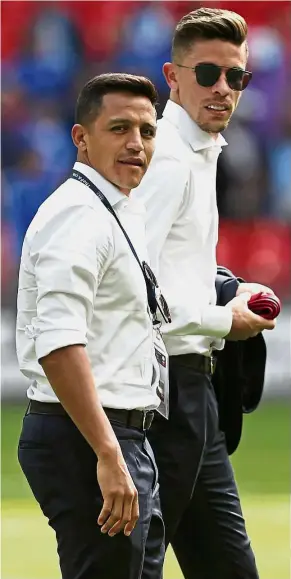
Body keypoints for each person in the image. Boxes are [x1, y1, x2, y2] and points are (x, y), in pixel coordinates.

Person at [134, 8, 276, 579]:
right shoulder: (166, 159)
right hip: (162, 392)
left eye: (236, 77)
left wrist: (227, 285)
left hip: (190, 391)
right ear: (172, 76)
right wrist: (225, 318)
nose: (223, 88)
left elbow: (167, 267)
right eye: (208, 73)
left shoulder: (194, 152)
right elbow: (134, 293)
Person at [16, 73, 166, 579]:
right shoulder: (79, 214)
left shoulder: (116, 208)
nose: (136, 144)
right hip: (89, 438)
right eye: (119, 128)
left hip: (115, 436)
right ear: (81, 138)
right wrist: (108, 453)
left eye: (147, 131)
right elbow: (58, 345)